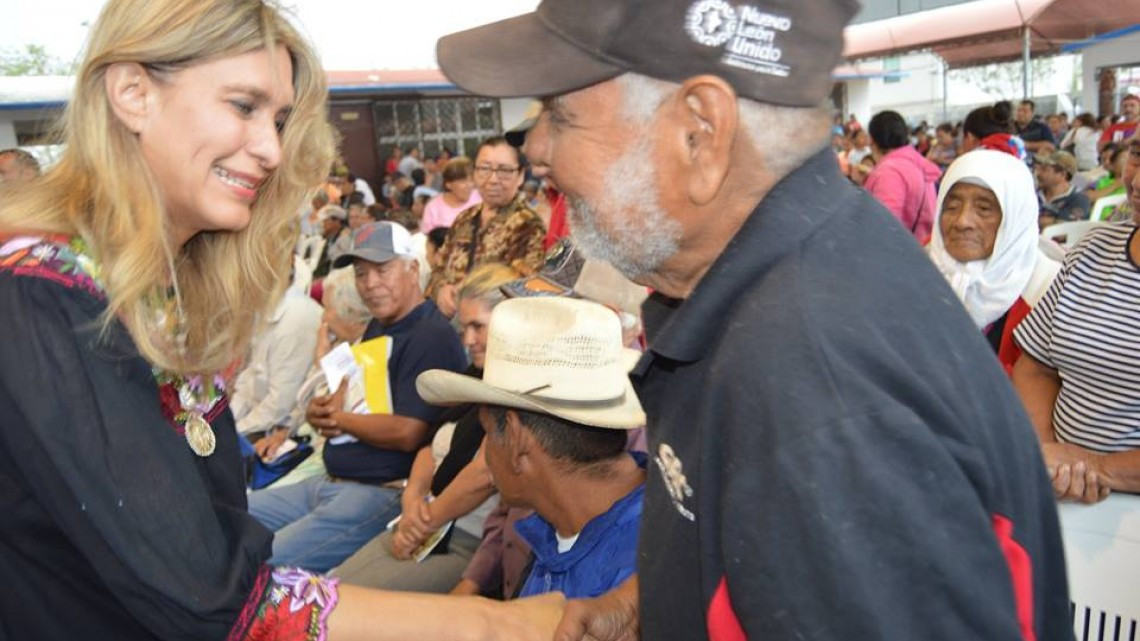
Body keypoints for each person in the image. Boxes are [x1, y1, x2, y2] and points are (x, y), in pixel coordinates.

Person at [437, 0, 1072, 639]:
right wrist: (641, 603)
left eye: (560, 113)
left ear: (700, 134)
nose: (537, 151)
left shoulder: (818, 394)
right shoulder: (788, 279)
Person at [0, 0, 564, 639]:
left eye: (280, 119)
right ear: (132, 93)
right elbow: (215, 602)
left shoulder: (155, 288)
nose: (269, 149)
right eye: (243, 106)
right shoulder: (42, 293)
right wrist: (497, 627)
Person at [249, 221, 468, 573]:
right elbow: (352, 400)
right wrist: (320, 410)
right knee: (229, 518)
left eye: (382, 270)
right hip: (328, 481)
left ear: (413, 269)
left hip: (377, 493)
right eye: (361, 274)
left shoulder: (430, 335)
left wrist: (337, 420)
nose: (370, 284)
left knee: (260, 565)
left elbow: (409, 432)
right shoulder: (378, 326)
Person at [417, 296, 646, 600]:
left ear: (514, 437)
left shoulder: (626, 583)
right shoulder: (569, 524)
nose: (485, 455)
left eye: (487, 434)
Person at [332, 263, 520, 593]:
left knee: (346, 606)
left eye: (479, 327)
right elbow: (429, 443)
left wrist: (423, 521)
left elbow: (485, 473)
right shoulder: (475, 374)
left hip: (468, 539)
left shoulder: (517, 389)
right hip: (423, 519)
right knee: (331, 586)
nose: (469, 339)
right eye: (464, 328)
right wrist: (413, 497)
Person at [1012, 131, 1140, 505]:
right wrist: (1047, 452)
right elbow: (1036, 366)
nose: (1136, 180)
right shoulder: (1094, 249)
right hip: (1061, 487)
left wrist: (1095, 466)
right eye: (1137, 154)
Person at [928, 149, 1060, 373]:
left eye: (984, 209)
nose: (962, 222)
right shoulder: (918, 268)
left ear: (1015, 217)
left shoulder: (1050, 293)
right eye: (951, 207)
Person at [427, 136, 546, 317]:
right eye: (484, 169)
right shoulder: (464, 219)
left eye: (504, 171)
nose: (492, 180)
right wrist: (442, 290)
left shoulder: (528, 225)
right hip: (451, 324)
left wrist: (467, 295)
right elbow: (438, 269)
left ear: (521, 176)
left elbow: (524, 287)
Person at [863, 110, 941, 241]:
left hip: (901, 253)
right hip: (921, 247)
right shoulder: (916, 163)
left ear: (872, 140)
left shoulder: (889, 172)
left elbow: (885, 227)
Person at [422, 156, 483, 233]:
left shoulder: (481, 198)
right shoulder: (433, 208)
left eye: (472, 180)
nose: (470, 185)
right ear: (448, 184)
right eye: (463, 181)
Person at [1034, 150, 1090, 226]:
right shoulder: (1034, 193)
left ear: (1062, 175)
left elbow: (1069, 228)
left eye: (1044, 169)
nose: (1038, 173)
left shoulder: (1079, 199)